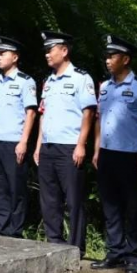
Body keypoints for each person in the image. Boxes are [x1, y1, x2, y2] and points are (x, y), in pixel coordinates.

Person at [92, 35, 137, 273]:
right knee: (110, 206)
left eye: (112, 56)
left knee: (133, 207)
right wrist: (97, 150)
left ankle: (133, 257)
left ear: (125, 59)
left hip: (131, 155)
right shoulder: (105, 86)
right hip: (108, 154)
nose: (107, 60)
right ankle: (115, 252)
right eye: (107, 56)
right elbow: (100, 119)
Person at [33, 31, 97, 254]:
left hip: (70, 146)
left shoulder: (81, 78)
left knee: (73, 200)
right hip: (49, 145)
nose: (47, 55)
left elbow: (88, 113)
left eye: (50, 50)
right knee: (49, 199)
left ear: (64, 50)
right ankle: (54, 243)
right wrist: (39, 144)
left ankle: (76, 247)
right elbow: (43, 113)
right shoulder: (48, 81)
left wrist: (81, 144)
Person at [0, 36, 37, 237]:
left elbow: (31, 112)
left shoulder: (25, 81)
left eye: (3, 54)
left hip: (14, 141)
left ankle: (16, 229)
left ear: (14, 57)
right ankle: (2, 226)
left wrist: (24, 141)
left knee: (16, 187)